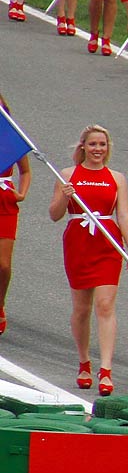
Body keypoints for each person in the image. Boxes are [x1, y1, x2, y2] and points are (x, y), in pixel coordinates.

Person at [48, 124, 128, 396]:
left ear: (107, 148)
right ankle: (84, 362)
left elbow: (124, 215)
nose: (97, 149)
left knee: (105, 304)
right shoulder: (67, 175)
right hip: (78, 243)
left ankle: (106, 369)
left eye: (102, 144)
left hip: (107, 242)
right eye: (92, 144)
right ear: (83, 147)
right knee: (81, 309)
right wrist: (64, 198)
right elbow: (54, 214)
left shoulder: (117, 178)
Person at [0, 90, 28, 335]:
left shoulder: (11, 139)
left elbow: (25, 170)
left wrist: (21, 192)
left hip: (6, 202)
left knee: (4, 264)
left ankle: (0, 304)